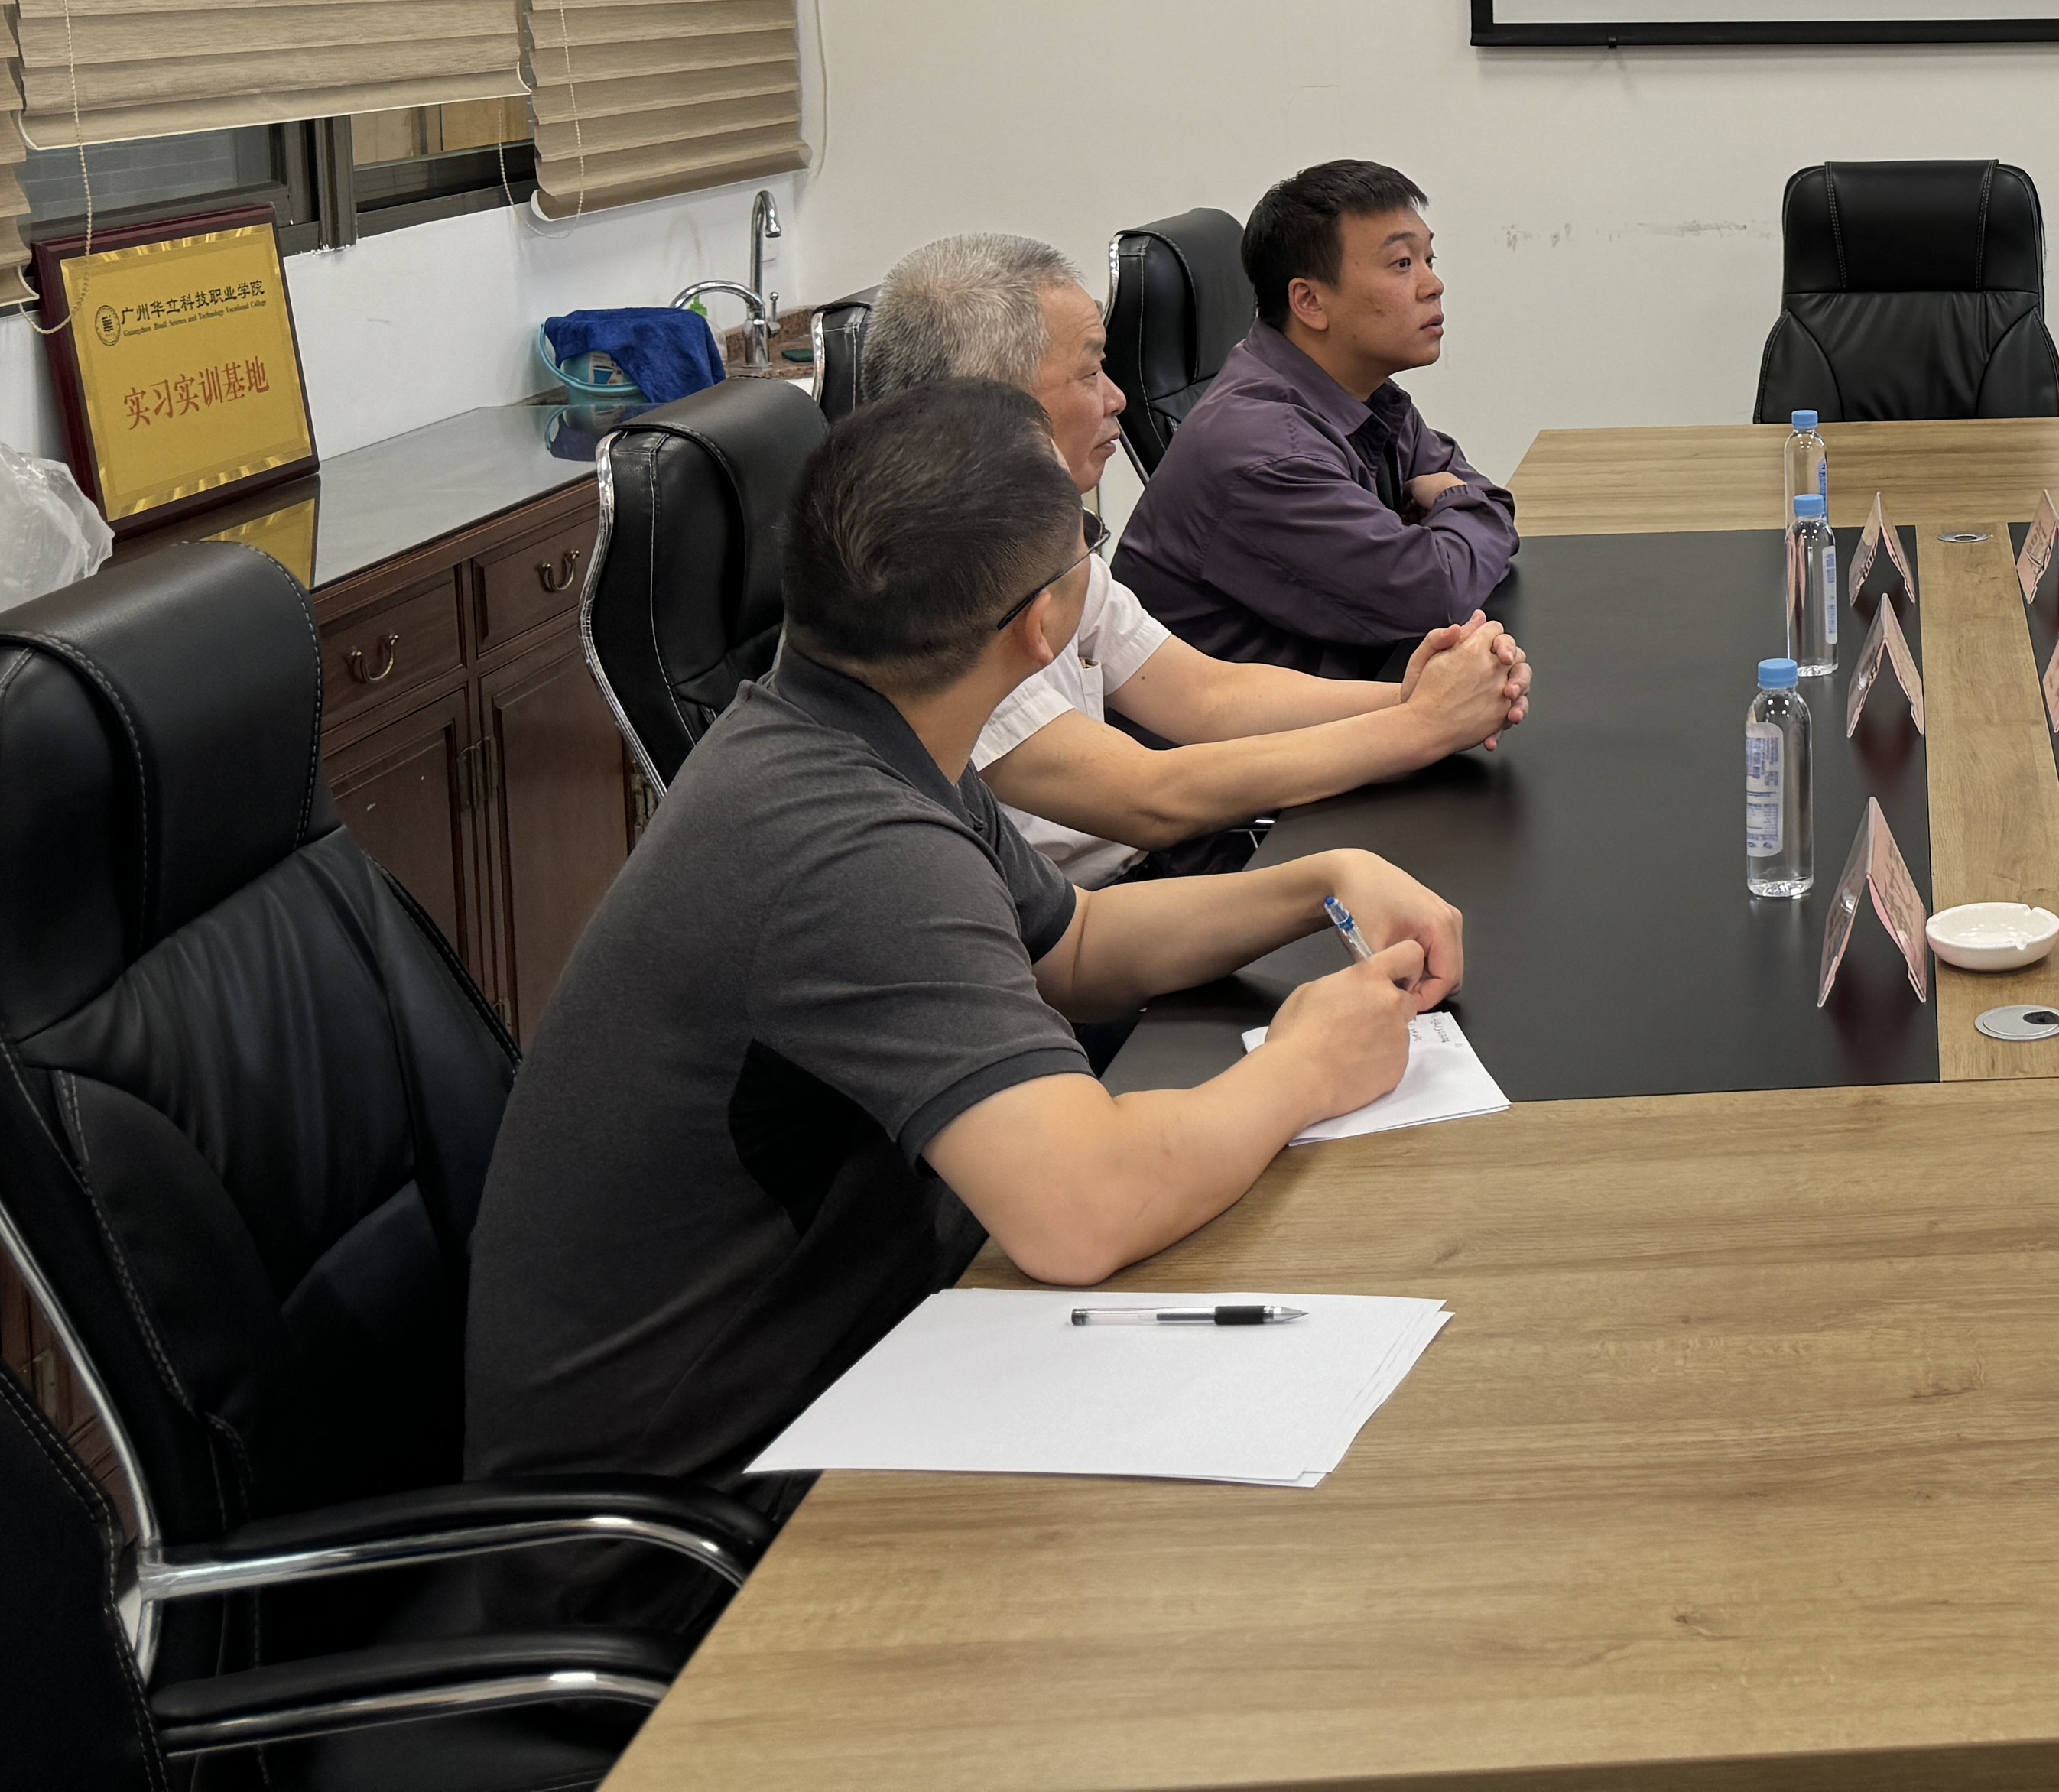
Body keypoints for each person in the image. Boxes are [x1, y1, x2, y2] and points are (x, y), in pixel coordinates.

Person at [468, 381, 1464, 1492]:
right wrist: (1305, 1064)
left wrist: (1320, 882)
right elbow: (1082, 1211)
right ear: (1041, 628)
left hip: (847, 1354)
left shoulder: (849, 727)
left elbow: (1076, 946)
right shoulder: (849, 845)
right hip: (691, 1503)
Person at [862, 232, 1528, 889]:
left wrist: (1416, 697)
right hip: (1085, 913)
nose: (1117, 397)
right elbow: (1147, 797)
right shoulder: (927, 598)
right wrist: (1419, 727)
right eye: (1091, 373)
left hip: (1143, 879)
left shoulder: (1040, 538)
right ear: (990, 406)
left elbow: (1208, 695)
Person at [1119, 161, 1521, 678]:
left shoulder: (1364, 393)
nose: (1433, 284)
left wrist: (1454, 512)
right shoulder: (1264, 453)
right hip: (1245, 728)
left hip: (1346, 697)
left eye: (1429, 259)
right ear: (1309, 301)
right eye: (1402, 264)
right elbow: (1436, 592)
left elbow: (1488, 503)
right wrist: (1453, 503)